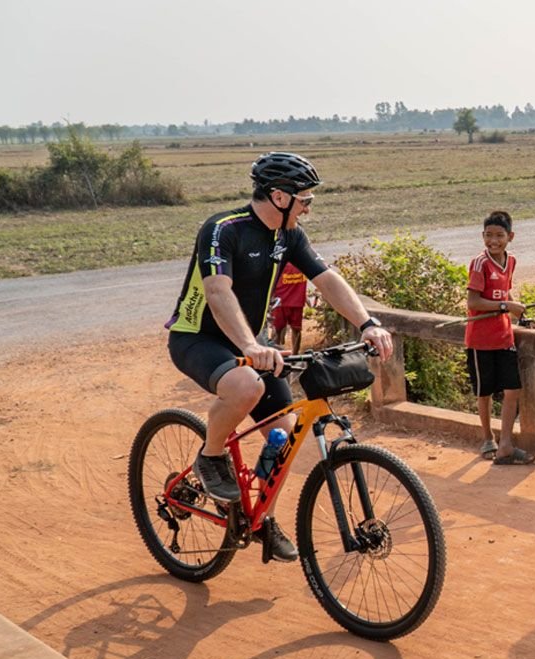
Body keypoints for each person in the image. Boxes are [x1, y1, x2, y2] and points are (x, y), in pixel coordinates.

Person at [166, 151, 394, 561]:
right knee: (246, 385)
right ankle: (210, 456)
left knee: (285, 431)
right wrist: (252, 347)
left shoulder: (289, 235)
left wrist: (367, 323)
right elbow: (218, 292)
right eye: (304, 199)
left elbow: (327, 280)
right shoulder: (222, 229)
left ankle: (261, 518)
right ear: (278, 196)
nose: (308, 207)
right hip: (198, 337)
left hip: (252, 341)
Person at [465, 210, 535, 464]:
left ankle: (506, 444)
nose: (493, 241)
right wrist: (506, 307)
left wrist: (520, 318)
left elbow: (505, 294)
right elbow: (473, 301)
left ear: (510, 236)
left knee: (512, 390)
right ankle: (488, 439)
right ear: (482, 236)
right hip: (480, 339)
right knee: (484, 392)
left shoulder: (511, 261)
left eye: (499, 235)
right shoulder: (480, 263)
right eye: (488, 236)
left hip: (504, 336)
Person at [270, 261, 311, 355]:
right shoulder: (280, 262)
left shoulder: (304, 261)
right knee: (277, 331)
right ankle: (277, 355)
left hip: (297, 301)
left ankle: (295, 356)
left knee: (296, 330)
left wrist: (305, 295)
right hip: (280, 301)